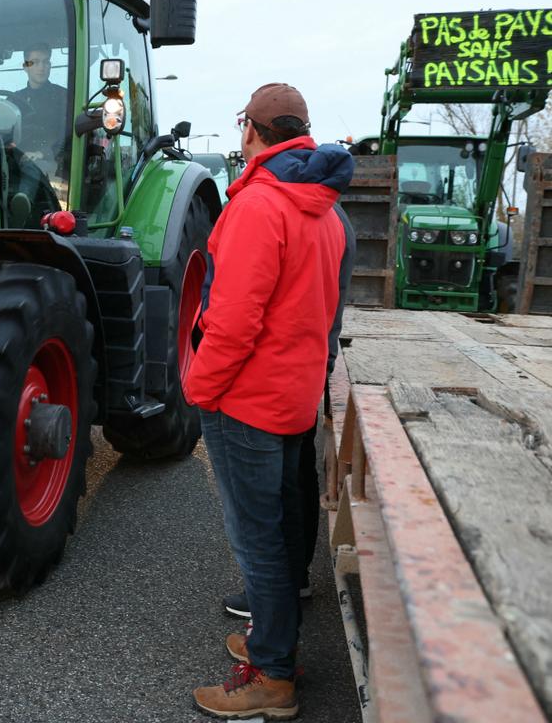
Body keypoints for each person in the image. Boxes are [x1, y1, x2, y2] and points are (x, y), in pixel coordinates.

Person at [184, 83, 352, 719]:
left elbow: (232, 322)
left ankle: (273, 678)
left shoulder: (260, 207)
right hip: (291, 396)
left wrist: (200, 388)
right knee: (278, 534)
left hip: (246, 401)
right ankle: (272, 640)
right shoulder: (324, 210)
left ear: (252, 130)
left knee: (257, 542)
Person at [221, 202, 355, 620]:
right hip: (306, 365)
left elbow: (248, 307)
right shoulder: (333, 216)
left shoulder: (295, 213)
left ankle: (274, 608)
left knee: (275, 491)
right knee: (296, 476)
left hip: (281, 374)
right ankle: (291, 581)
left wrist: (204, 384)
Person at [8, 44, 67, 166]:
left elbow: (68, 134)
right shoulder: (14, 99)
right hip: (16, 160)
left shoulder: (64, 97)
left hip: (52, 162)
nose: (41, 67)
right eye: (35, 62)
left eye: (46, 62)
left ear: (50, 66)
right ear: (25, 67)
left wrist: (43, 153)